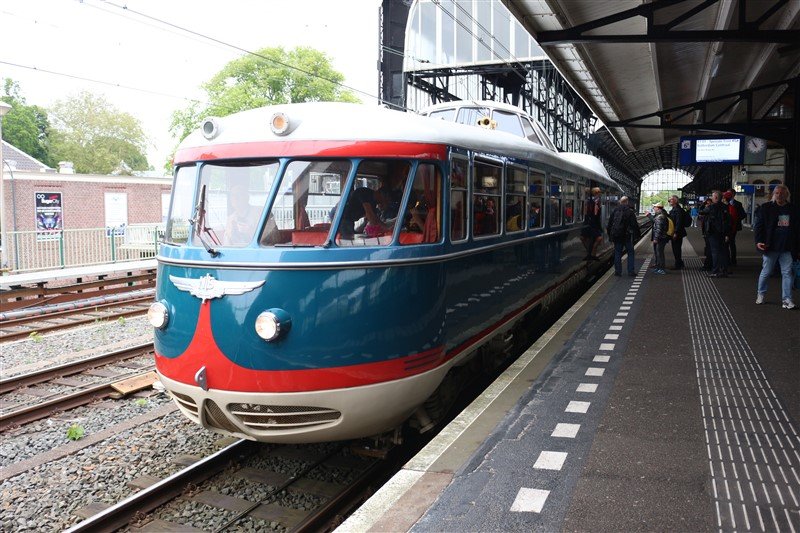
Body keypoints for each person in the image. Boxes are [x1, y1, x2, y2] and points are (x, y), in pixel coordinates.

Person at [753, 184, 799, 309]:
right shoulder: (766, 208)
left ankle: (787, 299)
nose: (780, 195)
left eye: (782, 193)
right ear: (773, 194)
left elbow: (797, 228)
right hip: (770, 246)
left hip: (787, 246)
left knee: (787, 273)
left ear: (787, 195)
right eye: (777, 193)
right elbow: (759, 227)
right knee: (766, 272)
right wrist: (758, 241)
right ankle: (761, 294)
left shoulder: (793, 209)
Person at [607, 196, 640, 276]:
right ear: (627, 202)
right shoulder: (630, 211)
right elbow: (634, 225)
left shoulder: (615, 210)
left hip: (617, 236)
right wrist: (637, 235)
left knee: (617, 253)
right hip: (627, 236)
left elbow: (610, 224)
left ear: (620, 202)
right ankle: (630, 271)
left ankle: (618, 272)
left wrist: (610, 235)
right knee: (630, 253)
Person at [701, 190, 731, 278]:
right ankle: (724, 270)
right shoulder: (725, 207)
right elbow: (727, 220)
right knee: (723, 252)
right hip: (722, 232)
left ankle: (715, 271)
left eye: (712, 196)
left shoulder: (711, 207)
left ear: (716, 197)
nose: (711, 198)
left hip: (713, 232)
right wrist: (727, 233)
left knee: (715, 252)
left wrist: (704, 203)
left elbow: (701, 211)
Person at [581, 186, 603, 260]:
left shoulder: (597, 201)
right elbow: (591, 213)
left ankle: (591, 253)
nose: (600, 193)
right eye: (599, 192)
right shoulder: (593, 201)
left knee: (596, 238)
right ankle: (591, 253)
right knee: (597, 238)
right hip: (590, 223)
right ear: (596, 193)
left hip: (593, 223)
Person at [725, 189, 746, 266]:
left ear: (733, 194)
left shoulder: (738, 204)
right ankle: (727, 260)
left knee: (731, 243)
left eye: (729, 193)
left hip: (734, 227)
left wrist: (736, 219)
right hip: (726, 227)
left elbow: (743, 214)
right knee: (727, 243)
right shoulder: (724, 204)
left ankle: (733, 260)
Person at [668, 195, 687, 270]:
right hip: (676, 232)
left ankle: (678, 265)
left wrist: (675, 232)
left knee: (676, 249)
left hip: (677, 233)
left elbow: (678, 222)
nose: (669, 201)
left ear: (675, 201)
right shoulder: (674, 209)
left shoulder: (678, 210)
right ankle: (679, 263)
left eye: (670, 200)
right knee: (676, 248)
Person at [651, 202, 669, 274]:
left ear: (658, 208)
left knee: (660, 253)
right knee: (659, 253)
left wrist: (655, 238)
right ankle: (659, 268)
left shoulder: (660, 217)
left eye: (654, 207)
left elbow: (658, 229)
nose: (653, 208)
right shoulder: (661, 215)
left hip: (661, 238)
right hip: (662, 237)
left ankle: (661, 269)